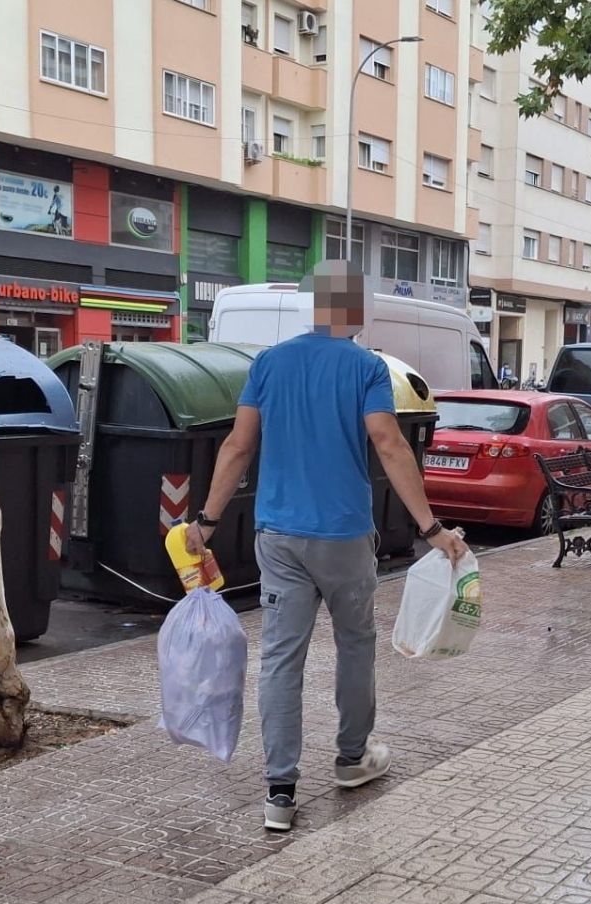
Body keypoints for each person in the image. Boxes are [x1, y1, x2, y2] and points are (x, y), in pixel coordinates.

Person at [186, 261, 469, 832]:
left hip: (280, 539)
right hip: (342, 535)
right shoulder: (367, 368)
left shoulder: (268, 363)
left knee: (281, 659)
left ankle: (280, 792)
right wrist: (432, 529)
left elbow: (238, 447)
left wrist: (207, 521)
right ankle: (350, 758)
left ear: (313, 307)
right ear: (357, 312)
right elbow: (390, 445)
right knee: (355, 646)